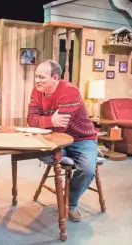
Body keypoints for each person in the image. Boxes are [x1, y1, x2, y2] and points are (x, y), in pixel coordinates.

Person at [27, 59, 98, 222]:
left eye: (42, 77)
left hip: (82, 139)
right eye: (36, 76)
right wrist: (50, 121)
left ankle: (70, 204)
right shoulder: (36, 91)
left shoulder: (69, 91)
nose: (37, 80)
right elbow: (31, 120)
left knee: (87, 170)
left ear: (55, 77)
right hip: (56, 138)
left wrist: (46, 121)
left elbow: (61, 126)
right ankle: (64, 158)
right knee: (35, 151)